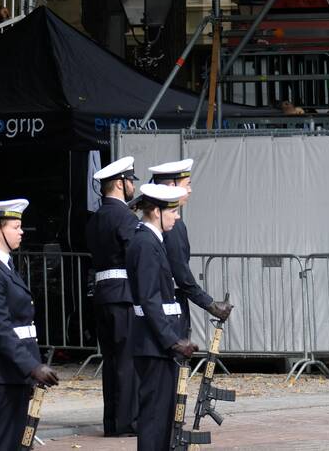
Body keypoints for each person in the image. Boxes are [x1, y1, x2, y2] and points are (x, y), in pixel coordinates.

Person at [0, 199, 59, 450]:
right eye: (15, 226)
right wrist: (32, 366)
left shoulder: (3, 265)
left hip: (10, 372)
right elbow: (0, 328)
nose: (21, 232)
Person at [126, 183, 197, 451]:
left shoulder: (151, 241)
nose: (177, 217)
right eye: (173, 211)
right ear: (156, 211)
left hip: (157, 342)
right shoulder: (145, 243)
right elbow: (149, 298)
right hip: (154, 344)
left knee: (163, 416)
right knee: (155, 418)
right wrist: (172, 341)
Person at [86, 156, 140, 437]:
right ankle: (126, 422)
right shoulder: (125, 217)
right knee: (127, 360)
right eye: (130, 180)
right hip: (123, 295)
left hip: (103, 295)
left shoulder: (96, 217)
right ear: (119, 183)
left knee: (111, 361)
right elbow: (134, 255)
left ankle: (112, 422)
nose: (132, 185)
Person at [149, 159, 232, 339]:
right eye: (187, 185)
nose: (190, 190)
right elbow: (181, 273)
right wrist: (211, 305)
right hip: (169, 304)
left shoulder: (152, 222)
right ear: (172, 186)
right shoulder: (172, 225)